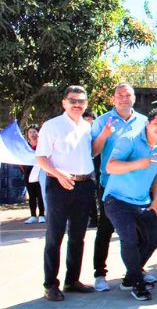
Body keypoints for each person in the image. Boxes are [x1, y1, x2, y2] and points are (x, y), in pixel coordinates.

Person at [36, 86, 96, 301]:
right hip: (59, 185)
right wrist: (57, 172)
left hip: (84, 185)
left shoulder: (87, 127)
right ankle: (50, 284)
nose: (77, 105)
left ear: (86, 103)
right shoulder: (52, 126)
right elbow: (41, 158)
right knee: (55, 236)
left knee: (78, 237)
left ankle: (73, 280)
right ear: (64, 102)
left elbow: (90, 152)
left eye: (81, 101)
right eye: (73, 101)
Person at [103, 108, 157, 301]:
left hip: (143, 202)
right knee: (130, 239)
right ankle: (137, 283)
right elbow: (110, 166)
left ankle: (130, 276)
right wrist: (137, 164)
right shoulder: (130, 139)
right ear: (148, 124)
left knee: (153, 239)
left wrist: (156, 202)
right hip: (117, 199)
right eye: (156, 123)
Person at [90, 84, 149, 292]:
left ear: (134, 98)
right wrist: (105, 135)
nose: (124, 98)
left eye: (128, 95)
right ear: (113, 98)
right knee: (105, 231)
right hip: (110, 186)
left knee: (140, 233)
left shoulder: (144, 121)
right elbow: (93, 152)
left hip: (137, 187)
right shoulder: (101, 121)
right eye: (120, 95)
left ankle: (136, 270)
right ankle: (99, 274)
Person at [22, 124, 45, 224]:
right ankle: (32, 215)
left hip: (40, 171)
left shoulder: (42, 145)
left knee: (40, 194)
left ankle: (41, 215)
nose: (32, 134)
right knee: (31, 195)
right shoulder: (26, 146)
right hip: (28, 172)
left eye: (34, 132)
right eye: (30, 132)